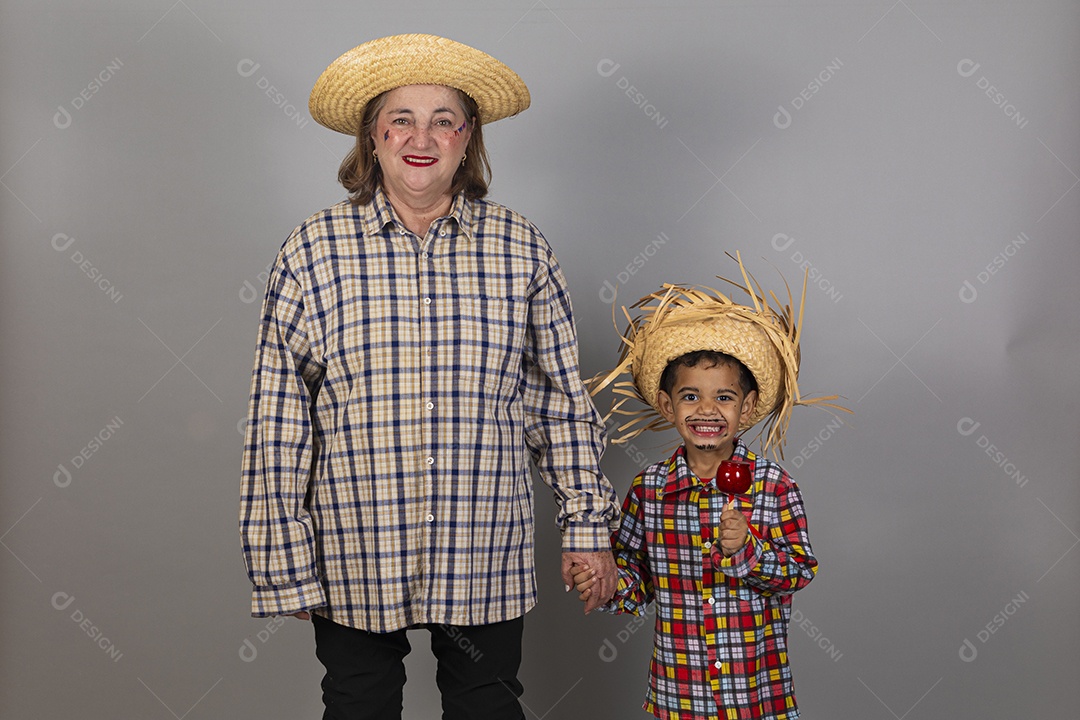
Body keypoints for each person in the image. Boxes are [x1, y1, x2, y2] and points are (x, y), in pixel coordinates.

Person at [239, 34, 620, 720]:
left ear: (468, 138)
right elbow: (279, 416)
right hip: (356, 543)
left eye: (444, 119)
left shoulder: (520, 247)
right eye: (402, 119)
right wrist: (283, 557)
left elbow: (559, 401)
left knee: (487, 705)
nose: (423, 136)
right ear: (373, 136)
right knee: (358, 705)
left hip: (484, 545)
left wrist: (588, 526)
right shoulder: (312, 251)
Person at [574, 255, 848, 719]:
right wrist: (605, 585)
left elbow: (799, 572)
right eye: (690, 396)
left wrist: (748, 550)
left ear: (747, 407)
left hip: (756, 695)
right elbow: (636, 580)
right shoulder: (650, 490)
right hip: (680, 695)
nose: (706, 410)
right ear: (666, 405)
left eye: (723, 397)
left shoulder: (774, 486)